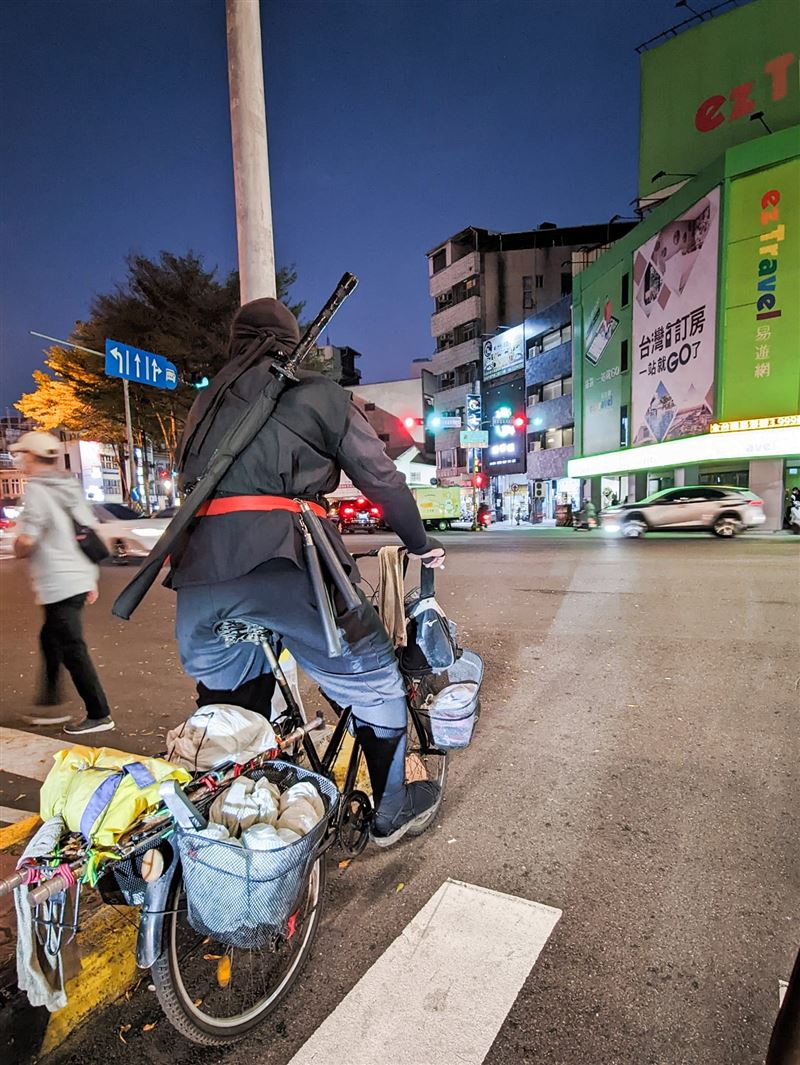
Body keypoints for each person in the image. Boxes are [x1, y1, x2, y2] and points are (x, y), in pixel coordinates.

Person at [170, 298, 445, 848]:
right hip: (291, 568)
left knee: (229, 705)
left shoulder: (203, 403)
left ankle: (237, 822)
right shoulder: (322, 396)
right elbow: (383, 479)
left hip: (199, 580)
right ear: (293, 344)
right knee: (375, 683)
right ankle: (390, 813)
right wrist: (420, 543)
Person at [11, 432, 113, 735]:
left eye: (22, 455)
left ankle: (99, 713)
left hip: (60, 581)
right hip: (77, 577)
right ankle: (49, 705)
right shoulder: (69, 486)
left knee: (71, 647)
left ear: (32, 456)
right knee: (50, 639)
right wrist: (90, 580)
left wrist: (19, 545)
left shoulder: (39, 491)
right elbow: (88, 531)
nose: (20, 461)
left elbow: (29, 538)